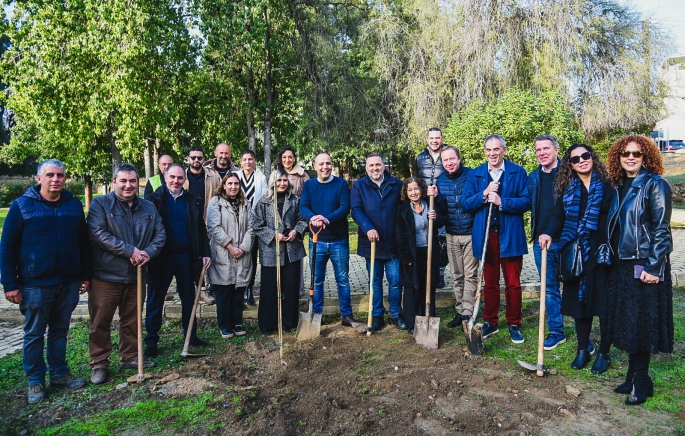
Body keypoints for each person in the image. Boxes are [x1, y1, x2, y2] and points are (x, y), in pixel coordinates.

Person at [0, 159, 91, 404]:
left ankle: (59, 374)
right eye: (50, 175)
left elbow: (83, 243)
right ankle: (35, 381)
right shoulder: (22, 206)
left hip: (68, 281)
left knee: (60, 331)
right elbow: (7, 247)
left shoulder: (73, 206)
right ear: (38, 178)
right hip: (35, 283)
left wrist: (85, 275)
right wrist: (9, 283)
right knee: (34, 333)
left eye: (60, 175)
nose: (56, 179)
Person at [603, 135, 673, 405]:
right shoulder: (620, 185)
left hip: (644, 263)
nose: (630, 157)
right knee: (630, 323)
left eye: (637, 154)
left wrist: (654, 266)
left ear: (647, 158)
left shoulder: (655, 184)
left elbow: (661, 231)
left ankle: (642, 381)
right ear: (618, 157)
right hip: (624, 264)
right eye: (625, 153)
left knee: (641, 324)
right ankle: (633, 376)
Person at [86, 163, 166, 385]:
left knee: (132, 320)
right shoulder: (100, 205)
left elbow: (160, 235)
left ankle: (129, 357)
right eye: (123, 181)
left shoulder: (148, 208)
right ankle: (100, 364)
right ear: (114, 182)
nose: (128, 185)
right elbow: (98, 234)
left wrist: (147, 253)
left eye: (132, 181)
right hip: (106, 275)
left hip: (137, 275)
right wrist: (129, 250)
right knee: (100, 321)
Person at [539, 144, 613, 370]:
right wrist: (548, 233)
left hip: (603, 253)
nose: (582, 160)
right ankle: (583, 350)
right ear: (569, 164)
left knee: (605, 303)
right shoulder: (567, 187)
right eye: (575, 159)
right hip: (577, 253)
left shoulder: (609, 184)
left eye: (586, 156)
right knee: (581, 303)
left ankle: (603, 352)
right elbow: (558, 216)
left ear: (593, 157)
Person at [462, 134, 531, 344]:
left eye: (496, 149)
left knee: (513, 283)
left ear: (504, 150)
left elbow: (527, 201)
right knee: (490, 282)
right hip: (486, 236)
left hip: (510, 235)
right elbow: (466, 203)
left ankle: (514, 323)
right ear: (485, 152)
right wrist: (483, 194)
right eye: (488, 150)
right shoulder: (476, 175)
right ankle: (491, 321)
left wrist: (503, 202)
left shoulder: (517, 172)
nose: (492, 153)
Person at [145, 164, 212, 358]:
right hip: (161, 257)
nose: (176, 181)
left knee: (189, 299)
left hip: (185, 256)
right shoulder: (153, 199)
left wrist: (205, 252)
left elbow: (201, 229)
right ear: (165, 177)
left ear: (185, 180)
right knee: (155, 300)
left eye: (180, 178)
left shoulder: (191, 200)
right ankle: (151, 341)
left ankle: (190, 335)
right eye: (172, 177)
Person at [300, 152, 355, 326]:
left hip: (339, 240)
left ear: (332, 165)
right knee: (317, 280)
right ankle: (317, 314)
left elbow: (345, 207)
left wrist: (327, 219)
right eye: (321, 164)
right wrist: (313, 217)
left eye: (328, 163)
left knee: (342, 279)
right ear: (315, 167)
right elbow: (303, 206)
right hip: (317, 241)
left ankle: (346, 315)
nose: (325, 167)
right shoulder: (309, 185)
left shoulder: (341, 184)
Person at [351, 153, 405, 331]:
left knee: (395, 281)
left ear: (383, 166)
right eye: (371, 166)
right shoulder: (359, 185)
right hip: (371, 243)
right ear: (366, 168)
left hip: (393, 242)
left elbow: (405, 207)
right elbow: (356, 210)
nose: (375, 168)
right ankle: (377, 315)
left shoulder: (396, 184)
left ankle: (396, 313)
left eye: (378, 165)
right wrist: (367, 228)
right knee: (375, 281)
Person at [252, 169, 308, 333]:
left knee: (290, 287)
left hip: (292, 250)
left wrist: (296, 231)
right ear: (272, 183)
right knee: (270, 288)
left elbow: (302, 219)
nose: (282, 184)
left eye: (284, 180)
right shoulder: (263, 202)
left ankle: (289, 322)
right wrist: (273, 235)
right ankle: (268, 323)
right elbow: (256, 224)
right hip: (271, 250)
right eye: (279, 181)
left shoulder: (295, 200)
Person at [527, 134, 566, 350]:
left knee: (573, 286)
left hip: (567, 240)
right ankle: (557, 331)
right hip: (541, 242)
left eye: (546, 149)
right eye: (538, 150)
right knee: (549, 288)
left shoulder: (569, 174)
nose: (541, 153)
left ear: (556, 150)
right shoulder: (534, 177)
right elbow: (525, 201)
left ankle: (583, 332)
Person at [434, 145, 478, 329]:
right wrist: (436, 199)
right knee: (457, 275)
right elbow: (442, 211)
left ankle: (468, 312)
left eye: (452, 159)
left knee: (470, 275)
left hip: (470, 233)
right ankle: (460, 310)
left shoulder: (472, 175)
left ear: (459, 158)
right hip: (451, 234)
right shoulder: (440, 181)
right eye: (445, 160)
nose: (449, 163)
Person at [206, 172, 253, 338]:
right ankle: (225, 325)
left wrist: (243, 247)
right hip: (223, 253)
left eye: (236, 184)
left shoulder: (245, 203)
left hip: (242, 253)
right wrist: (231, 247)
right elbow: (214, 227)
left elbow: (251, 228)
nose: (233, 187)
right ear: (224, 185)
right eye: (230, 184)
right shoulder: (216, 203)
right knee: (224, 291)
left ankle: (237, 322)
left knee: (238, 290)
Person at [396, 178, 444, 334]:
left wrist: (435, 217)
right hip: (412, 254)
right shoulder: (403, 210)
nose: (414, 192)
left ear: (422, 190)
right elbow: (400, 234)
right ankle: (412, 322)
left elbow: (442, 222)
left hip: (429, 252)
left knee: (427, 286)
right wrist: (406, 257)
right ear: (406, 192)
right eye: (410, 190)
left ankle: (428, 315)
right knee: (411, 288)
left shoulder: (429, 205)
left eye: (416, 189)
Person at [184, 147, 222, 305]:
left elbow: (221, 195)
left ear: (204, 158)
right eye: (193, 157)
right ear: (188, 159)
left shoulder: (213, 175)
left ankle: (205, 289)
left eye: (199, 157)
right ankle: (190, 290)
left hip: (208, 221)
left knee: (207, 255)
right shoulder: (182, 176)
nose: (196, 160)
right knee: (189, 257)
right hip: (188, 223)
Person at [413, 127, 447, 288]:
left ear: (442, 139)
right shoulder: (420, 158)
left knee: (441, 239)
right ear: (427, 140)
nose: (434, 141)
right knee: (425, 237)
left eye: (437, 138)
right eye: (431, 138)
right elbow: (416, 180)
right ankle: (426, 272)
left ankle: (440, 273)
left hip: (442, 201)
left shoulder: (447, 155)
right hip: (425, 202)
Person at [236, 149, 268, 305]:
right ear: (240, 161)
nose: (247, 162)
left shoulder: (261, 177)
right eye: (245, 159)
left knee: (252, 257)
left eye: (250, 159)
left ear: (254, 161)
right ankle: (238, 289)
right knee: (239, 255)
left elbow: (263, 199)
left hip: (255, 221)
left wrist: (255, 216)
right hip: (238, 221)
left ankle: (249, 289)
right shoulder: (236, 176)